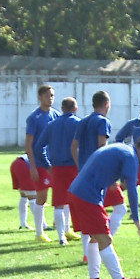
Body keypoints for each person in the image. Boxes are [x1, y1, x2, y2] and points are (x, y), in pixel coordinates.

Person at [68, 135, 140, 279]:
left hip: (76, 192)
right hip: (86, 195)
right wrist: (137, 219)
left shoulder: (121, 149)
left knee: (96, 238)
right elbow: (132, 189)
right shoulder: (131, 157)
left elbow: (103, 177)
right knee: (105, 238)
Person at [71, 91, 127, 261]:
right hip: (99, 176)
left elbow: (74, 147)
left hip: (84, 175)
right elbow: (102, 147)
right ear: (107, 104)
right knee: (120, 207)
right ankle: (102, 246)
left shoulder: (83, 121)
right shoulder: (103, 122)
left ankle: (88, 253)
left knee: (89, 217)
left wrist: (81, 167)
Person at [33, 96, 82, 245]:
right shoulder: (79, 124)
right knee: (77, 201)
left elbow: (38, 146)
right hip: (74, 167)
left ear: (62, 108)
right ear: (75, 109)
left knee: (59, 202)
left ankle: (61, 237)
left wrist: (47, 165)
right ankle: (74, 231)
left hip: (57, 167)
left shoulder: (51, 125)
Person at [24, 85, 60, 242]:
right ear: (39, 97)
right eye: (47, 96)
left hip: (55, 162)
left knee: (62, 195)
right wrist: (32, 166)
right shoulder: (34, 118)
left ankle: (63, 228)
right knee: (42, 196)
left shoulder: (56, 115)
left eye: (52, 95)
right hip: (40, 163)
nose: (50, 98)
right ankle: (39, 232)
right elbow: (29, 144)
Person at [10, 153, 38, 229]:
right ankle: (43, 224)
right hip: (26, 165)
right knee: (33, 197)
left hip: (17, 162)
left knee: (24, 196)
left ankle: (23, 223)